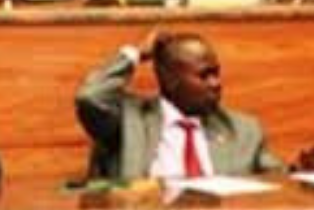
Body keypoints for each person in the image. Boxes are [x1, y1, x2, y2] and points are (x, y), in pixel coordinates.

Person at [75, 29, 285, 180]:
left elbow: (277, 180)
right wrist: (136, 54)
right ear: (170, 80)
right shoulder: (129, 120)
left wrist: (297, 173)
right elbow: (90, 96)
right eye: (204, 75)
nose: (216, 83)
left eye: (216, 73)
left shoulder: (242, 130)